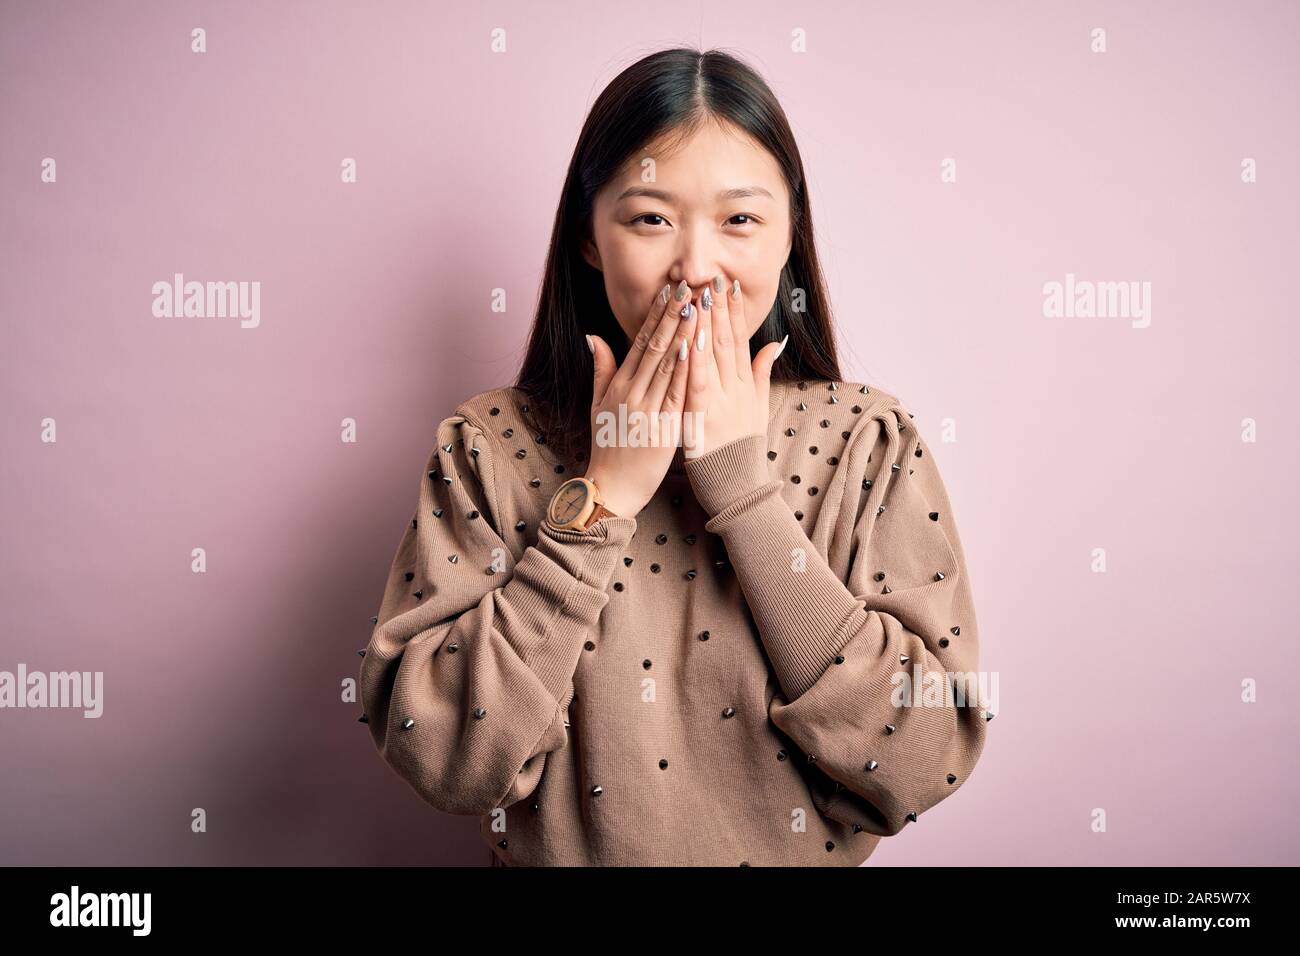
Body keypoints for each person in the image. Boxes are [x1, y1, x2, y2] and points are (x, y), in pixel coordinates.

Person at [358, 46, 991, 867]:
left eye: (740, 220)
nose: (695, 269)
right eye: (651, 219)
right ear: (589, 238)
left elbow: (925, 760)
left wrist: (743, 491)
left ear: (790, 235)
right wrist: (601, 499)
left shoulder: (867, 441)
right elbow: (442, 757)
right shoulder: (487, 445)